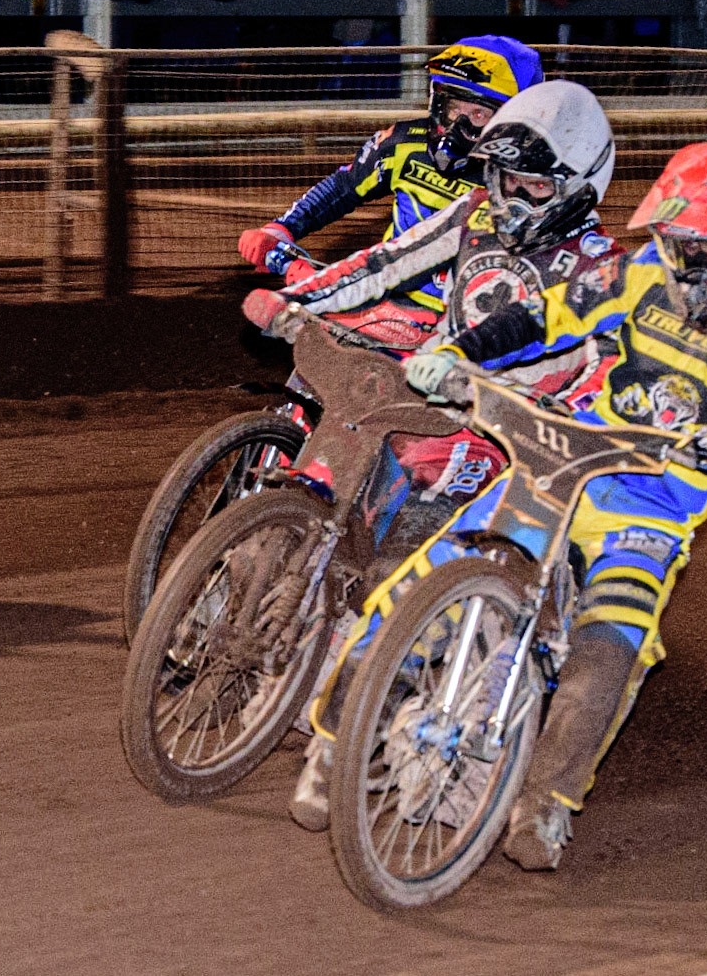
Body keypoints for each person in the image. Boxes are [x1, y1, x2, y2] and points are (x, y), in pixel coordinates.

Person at [399, 134, 707, 869]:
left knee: (611, 645)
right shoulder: (638, 271)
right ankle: (340, 726)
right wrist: (458, 352)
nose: (692, 265)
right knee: (433, 566)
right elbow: (540, 317)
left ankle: (543, 804)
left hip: (652, 509)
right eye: (679, 245)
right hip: (565, 465)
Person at [242, 78, 626, 829]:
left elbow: (603, 364)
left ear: (576, 187)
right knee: (358, 500)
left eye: (529, 182)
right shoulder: (474, 215)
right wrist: (303, 303)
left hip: (525, 437)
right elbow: (384, 263)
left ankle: (476, 756)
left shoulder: (598, 267)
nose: (509, 194)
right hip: (441, 405)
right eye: (500, 175)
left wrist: (553, 412)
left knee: (493, 591)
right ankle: (298, 671)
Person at [236, 34, 542, 314]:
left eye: (478, 114)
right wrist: (282, 229)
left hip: (477, 319)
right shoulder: (402, 144)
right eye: (452, 108)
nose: (457, 125)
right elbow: (343, 187)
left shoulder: (530, 181)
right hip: (388, 300)